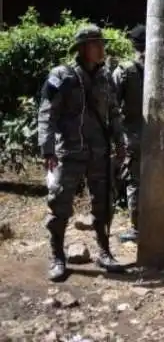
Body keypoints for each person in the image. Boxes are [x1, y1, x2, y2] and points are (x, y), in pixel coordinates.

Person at [38, 25, 125, 282]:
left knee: (104, 203)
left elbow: (114, 112)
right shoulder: (61, 76)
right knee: (59, 204)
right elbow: (47, 114)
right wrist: (47, 150)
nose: (102, 48)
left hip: (99, 151)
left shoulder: (105, 76)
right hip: (70, 152)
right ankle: (57, 257)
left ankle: (104, 252)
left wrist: (120, 142)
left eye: (101, 43)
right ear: (83, 48)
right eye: (96, 43)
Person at [112, 24, 146, 243]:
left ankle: (137, 228)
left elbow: (110, 104)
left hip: (133, 135)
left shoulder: (124, 70)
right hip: (160, 137)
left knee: (135, 182)